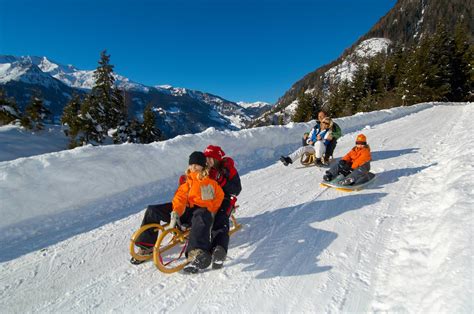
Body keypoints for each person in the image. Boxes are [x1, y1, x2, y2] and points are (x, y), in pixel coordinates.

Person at [131, 151, 224, 273]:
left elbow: (219, 197)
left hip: (200, 213)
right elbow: (179, 198)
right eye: (191, 165)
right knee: (152, 210)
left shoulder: (209, 182)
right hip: (184, 211)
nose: (193, 167)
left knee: (200, 215)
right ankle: (145, 246)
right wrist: (175, 212)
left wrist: (210, 208)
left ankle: (195, 253)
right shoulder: (187, 181)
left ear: (203, 166)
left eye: (196, 165)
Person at [203, 145, 242, 269]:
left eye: (211, 158)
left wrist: (221, 180)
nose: (207, 161)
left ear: (217, 159)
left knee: (220, 217)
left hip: (226, 198)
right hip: (207, 198)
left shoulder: (227, 168)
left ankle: (219, 250)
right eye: (206, 158)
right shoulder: (202, 168)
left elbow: (237, 189)